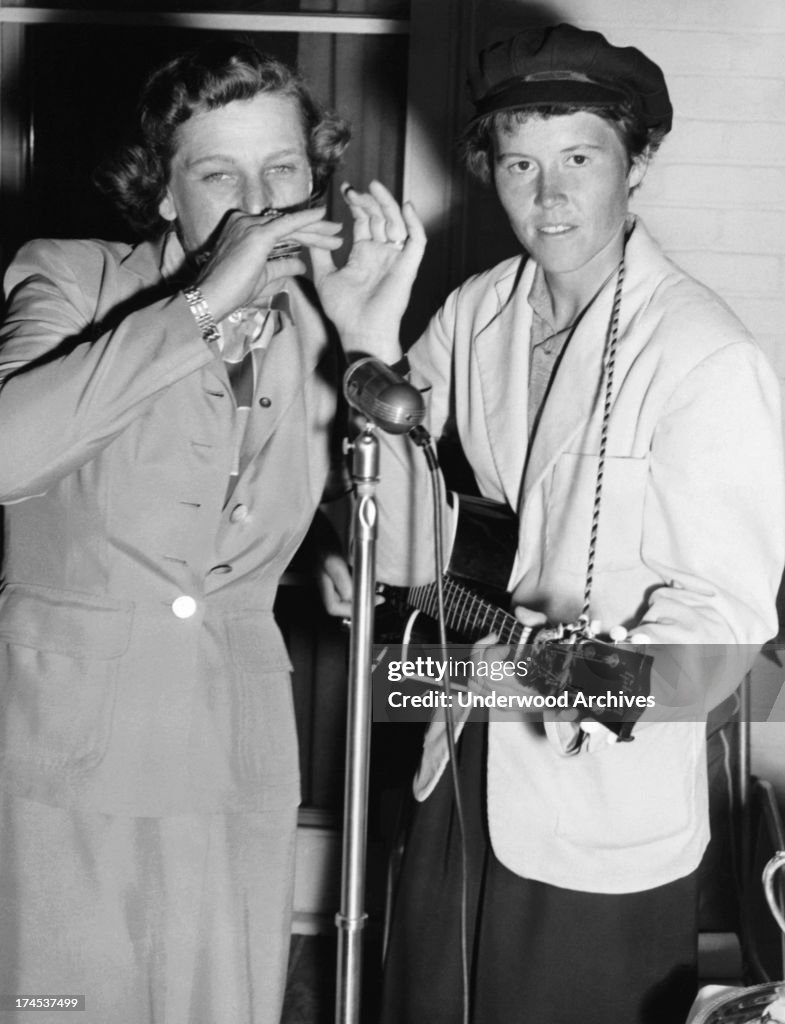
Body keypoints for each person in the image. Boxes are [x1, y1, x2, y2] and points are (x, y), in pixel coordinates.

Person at [359, 23, 785, 1024]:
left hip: (599, 781)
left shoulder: (702, 356)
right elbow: (384, 470)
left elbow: (724, 620)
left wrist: (600, 676)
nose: (545, 197)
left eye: (578, 159)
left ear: (634, 163)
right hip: (464, 746)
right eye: (517, 163)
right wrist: (365, 340)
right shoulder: (478, 311)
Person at [0, 41, 423, 1024]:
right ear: (161, 194)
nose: (264, 203)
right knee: (60, 1008)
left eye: (283, 170)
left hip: (231, 759)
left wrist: (371, 341)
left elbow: (408, 563)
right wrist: (198, 308)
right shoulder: (73, 282)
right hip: (65, 762)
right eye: (219, 175)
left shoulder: (327, 331)